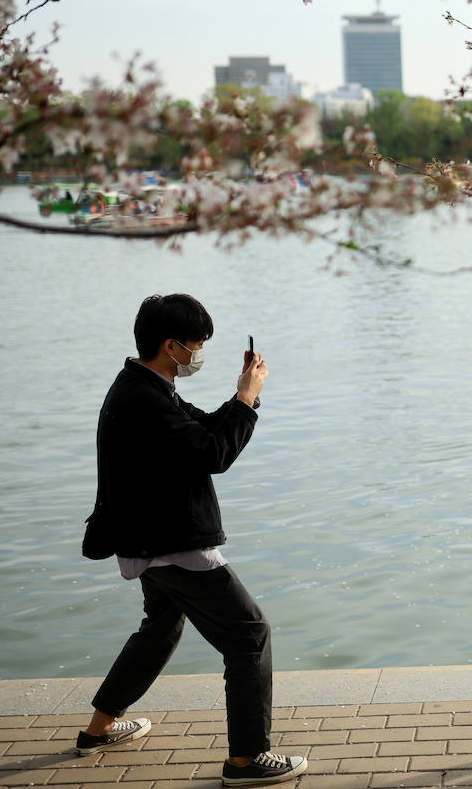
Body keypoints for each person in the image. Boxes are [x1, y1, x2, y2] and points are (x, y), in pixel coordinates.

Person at [76, 294, 307, 787]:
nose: (200, 353)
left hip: (149, 539)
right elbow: (213, 452)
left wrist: (245, 394)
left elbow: (202, 429)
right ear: (171, 345)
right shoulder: (144, 398)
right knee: (249, 635)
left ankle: (100, 729)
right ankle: (246, 760)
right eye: (197, 344)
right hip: (172, 542)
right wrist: (245, 401)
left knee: (161, 626)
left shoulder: (146, 386)